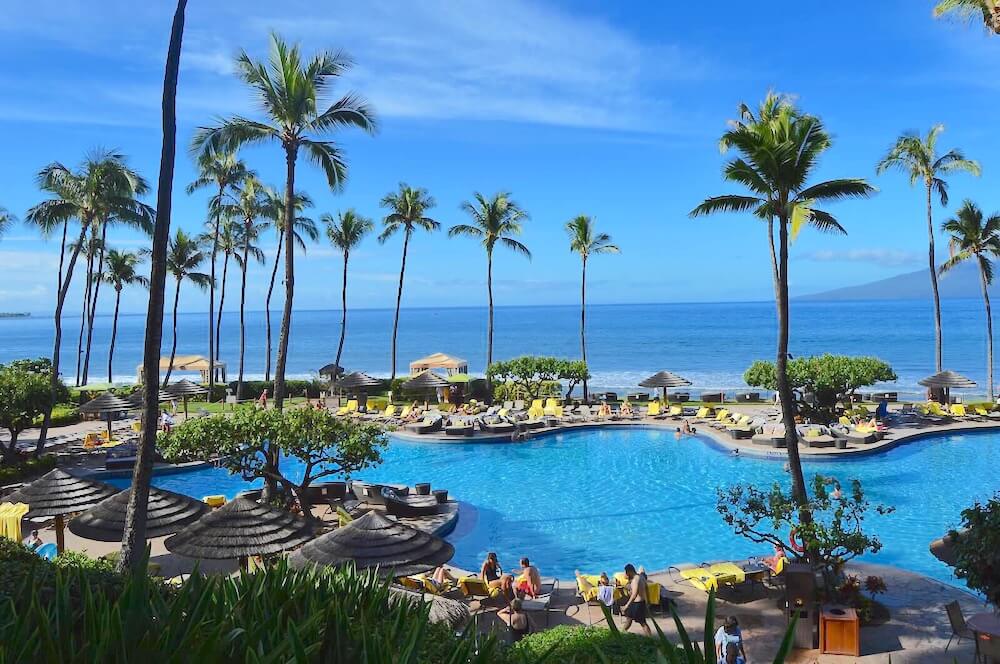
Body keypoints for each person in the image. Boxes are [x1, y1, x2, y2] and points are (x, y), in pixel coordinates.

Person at [620, 563, 651, 637]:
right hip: (639, 602)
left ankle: (650, 637)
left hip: (638, 603)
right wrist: (648, 600)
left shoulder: (635, 579)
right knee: (629, 619)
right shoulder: (641, 577)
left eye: (626, 572)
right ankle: (622, 633)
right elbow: (646, 588)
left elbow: (634, 594)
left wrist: (626, 605)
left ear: (630, 571)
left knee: (642, 622)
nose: (626, 574)